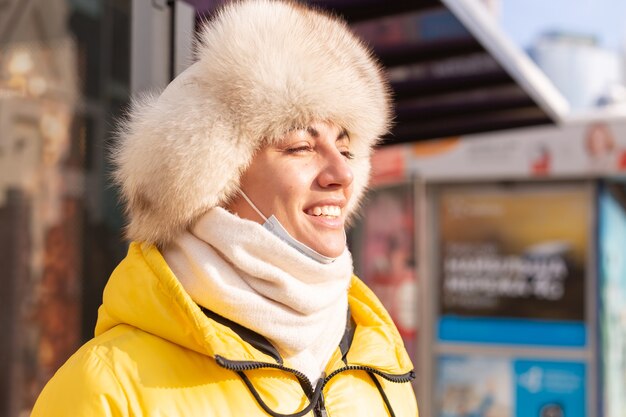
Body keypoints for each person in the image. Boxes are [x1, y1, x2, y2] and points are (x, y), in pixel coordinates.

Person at [31, 1, 418, 416]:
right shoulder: (108, 388)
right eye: (301, 147)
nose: (342, 172)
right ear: (214, 178)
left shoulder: (382, 375)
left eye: (345, 147)